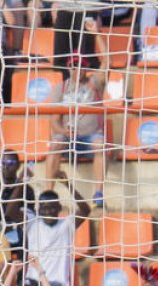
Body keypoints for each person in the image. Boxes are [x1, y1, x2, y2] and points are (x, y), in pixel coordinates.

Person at [45, 57, 107, 208]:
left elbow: (107, 63)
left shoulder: (94, 83)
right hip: (68, 138)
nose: (78, 69)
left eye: (81, 65)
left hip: (90, 138)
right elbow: (54, 122)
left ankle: (98, 194)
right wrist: (64, 131)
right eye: (73, 65)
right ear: (68, 68)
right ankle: (48, 195)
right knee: (55, 143)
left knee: (100, 144)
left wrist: (98, 35)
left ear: (86, 68)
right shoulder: (61, 88)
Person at [23, 184, 90, 286]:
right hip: (34, 285)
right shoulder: (32, 224)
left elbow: (86, 210)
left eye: (52, 207)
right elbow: (10, 212)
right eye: (44, 207)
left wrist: (69, 185)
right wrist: (20, 183)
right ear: (39, 210)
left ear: (59, 207)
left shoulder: (66, 225)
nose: (48, 211)